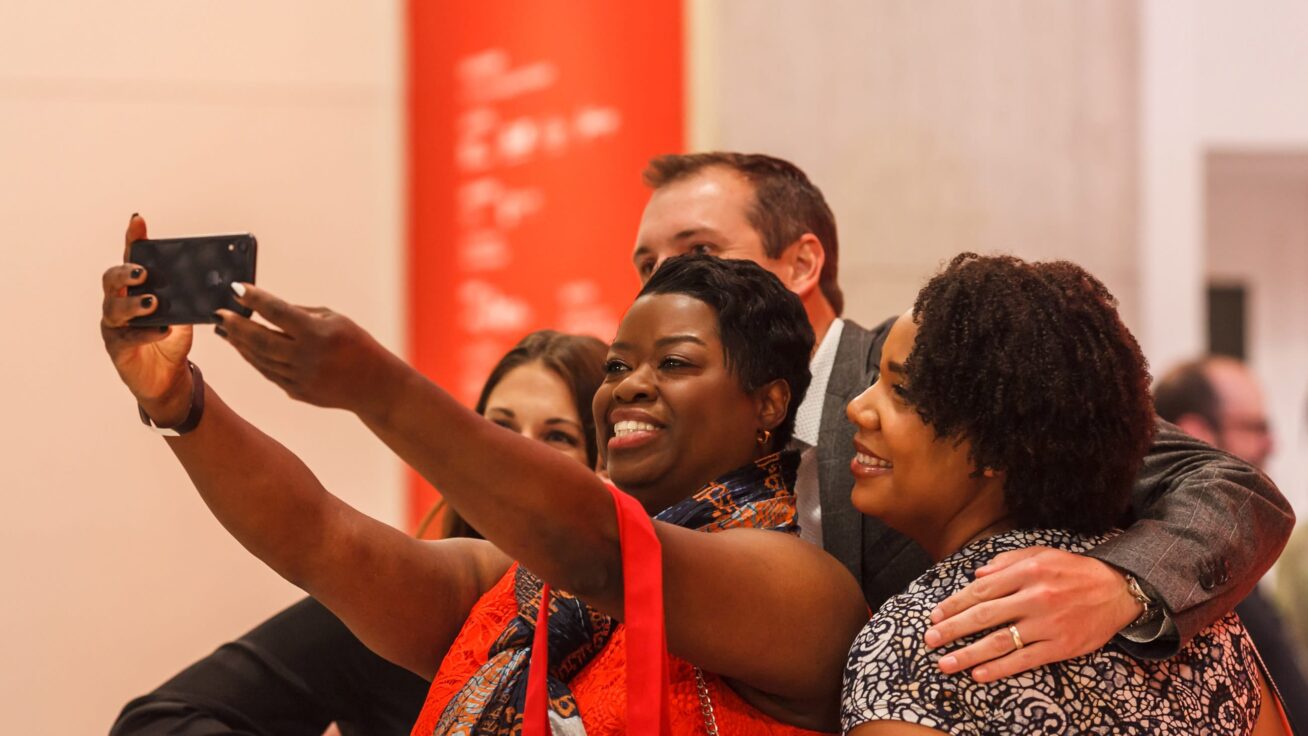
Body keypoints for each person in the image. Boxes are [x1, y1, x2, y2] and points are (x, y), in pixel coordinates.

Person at [102, 216, 869, 734]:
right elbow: (320, 538)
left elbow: (610, 555)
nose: (630, 387)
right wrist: (182, 407)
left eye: (672, 364)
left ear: (768, 402)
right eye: (618, 366)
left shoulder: (800, 585)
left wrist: (379, 386)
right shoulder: (524, 586)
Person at [631, 151, 1294, 679]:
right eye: (646, 264)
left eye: (697, 253)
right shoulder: (690, 435)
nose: (664, 281)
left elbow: (1234, 489)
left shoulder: (943, 374)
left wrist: (1123, 584)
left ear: (803, 262)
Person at [841, 253, 1286, 734]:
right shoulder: (1209, 634)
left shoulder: (919, 644)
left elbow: (1240, 485)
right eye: (875, 382)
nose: (856, 407)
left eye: (901, 391)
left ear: (996, 444)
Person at [110, 329, 608, 736]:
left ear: (610, 467)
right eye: (496, 429)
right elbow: (158, 723)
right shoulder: (413, 603)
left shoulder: (647, 616)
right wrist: (179, 403)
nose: (511, 459)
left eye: (557, 438)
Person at [1154, 356, 1308, 728]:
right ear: (1196, 433)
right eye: (1254, 427)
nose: (1271, 442)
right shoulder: (1178, 564)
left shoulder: (1227, 552)